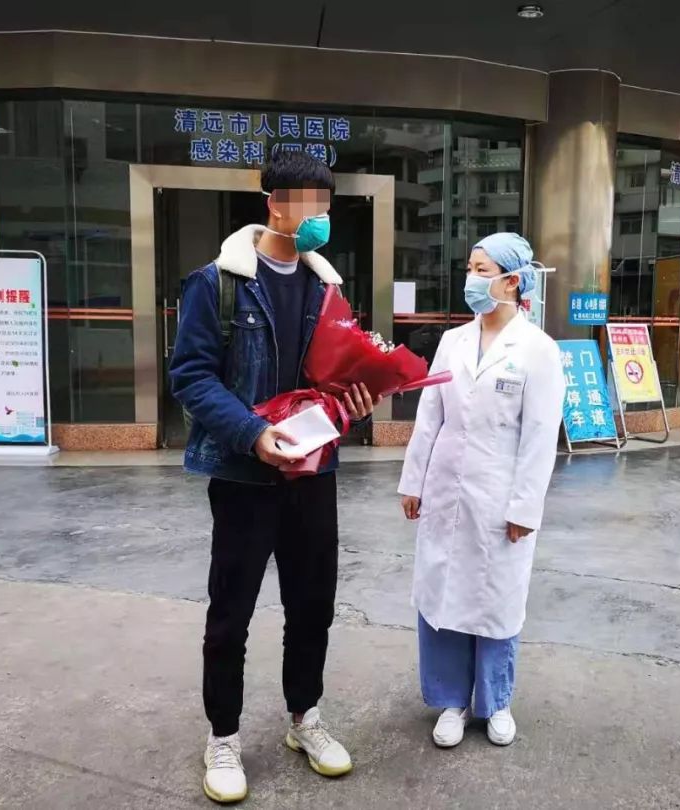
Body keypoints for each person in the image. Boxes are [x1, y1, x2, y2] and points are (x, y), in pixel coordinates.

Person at [170, 151, 378, 804]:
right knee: (231, 613)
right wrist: (252, 433)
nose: (318, 218)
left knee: (312, 605)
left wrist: (355, 401)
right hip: (244, 475)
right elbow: (191, 376)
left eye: (326, 206)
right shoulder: (218, 282)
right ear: (275, 205)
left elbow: (333, 378)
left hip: (314, 475)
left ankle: (304, 718)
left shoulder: (327, 288)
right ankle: (223, 737)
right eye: (307, 204)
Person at [397, 232, 565, 749]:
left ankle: (496, 701)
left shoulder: (538, 349)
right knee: (444, 593)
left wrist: (524, 507)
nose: (471, 279)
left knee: (495, 600)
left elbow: (540, 436)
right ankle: (450, 700)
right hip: (445, 489)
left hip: (499, 495)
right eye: (469, 268)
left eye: (481, 270)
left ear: (512, 281)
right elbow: (430, 415)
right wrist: (414, 480)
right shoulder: (452, 341)